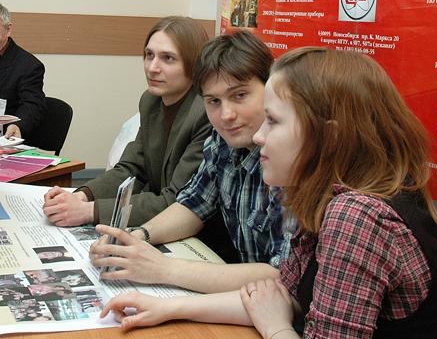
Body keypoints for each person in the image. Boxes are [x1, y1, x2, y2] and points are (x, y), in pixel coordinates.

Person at [101, 48, 437, 339]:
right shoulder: (323, 195)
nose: (260, 136)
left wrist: (276, 327)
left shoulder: (357, 215)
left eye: (274, 121)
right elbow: (285, 295)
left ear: (327, 136)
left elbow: (278, 313)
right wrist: (168, 308)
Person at [89, 30, 290, 294]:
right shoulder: (223, 141)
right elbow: (194, 203)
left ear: (269, 88)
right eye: (213, 101)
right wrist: (139, 236)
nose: (226, 115)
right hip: (246, 295)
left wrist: (163, 269)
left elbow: (284, 275)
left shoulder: (289, 155)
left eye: (240, 95)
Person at [43, 16, 209, 226]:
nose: (152, 68)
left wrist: (89, 211)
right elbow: (131, 169)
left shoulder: (206, 112)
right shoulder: (151, 101)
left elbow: (176, 200)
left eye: (168, 58)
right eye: (149, 55)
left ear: (194, 63)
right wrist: (81, 196)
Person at [0, 1, 47, 139]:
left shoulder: (29, 65)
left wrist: (18, 125)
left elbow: (32, 104)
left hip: (2, 139)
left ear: (8, 30)